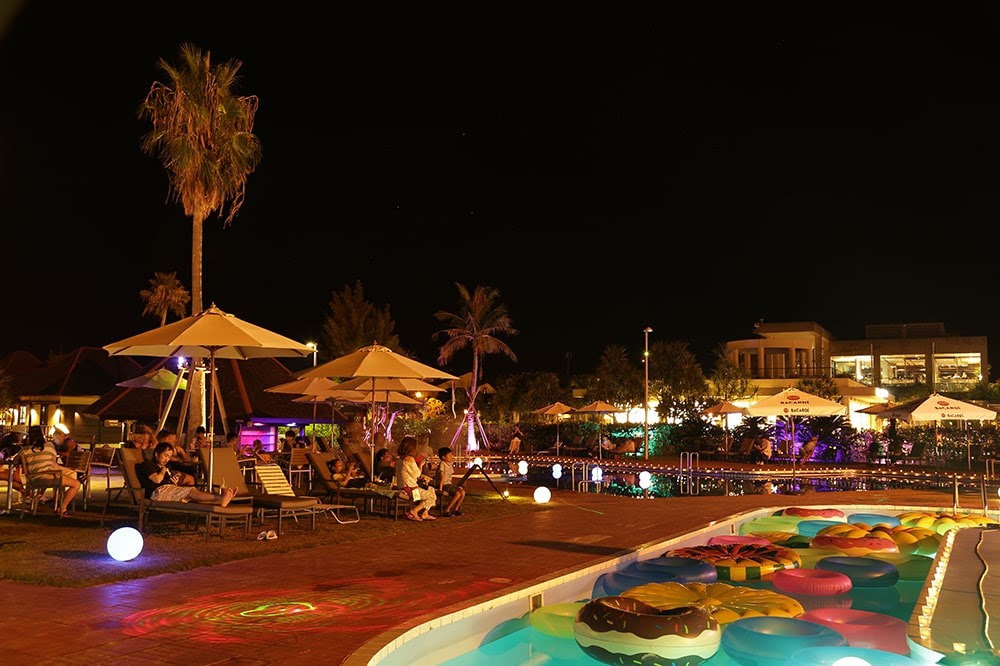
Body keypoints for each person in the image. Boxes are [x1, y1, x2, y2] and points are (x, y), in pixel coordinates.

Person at [137, 442, 237, 505]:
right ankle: (220, 498)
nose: (167, 459)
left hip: (168, 490)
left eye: (169, 457)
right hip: (156, 493)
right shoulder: (147, 465)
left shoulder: (167, 466)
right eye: (165, 455)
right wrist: (163, 470)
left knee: (192, 491)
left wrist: (174, 481)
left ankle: (220, 499)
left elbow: (187, 463)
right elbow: (157, 480)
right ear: (156, 454)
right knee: (190, 492)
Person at [19, 425, 80, 517]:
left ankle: (53, 499)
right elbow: (53, 462)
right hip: (48, 478)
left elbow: (16, 461)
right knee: (76, 484)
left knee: (68, 476)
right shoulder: (49, 446)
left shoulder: (24, 450)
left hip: (32, 480)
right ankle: (62, 508)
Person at [394, 435, 437, 522]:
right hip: (411, 490)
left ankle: (425, 513)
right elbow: (417, 474)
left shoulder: (399, 460)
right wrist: (421, 465)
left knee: (431, 490)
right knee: (432, 495)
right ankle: (415, 510)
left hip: (403, 487)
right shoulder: (409, 459)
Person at [433, 446, 466, 517]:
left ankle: (456, 509)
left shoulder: (450, 465)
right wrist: (440, 488)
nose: (451, 456)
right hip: (444, 485)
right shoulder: (442, 464)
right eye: (450, 455)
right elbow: (442, 477)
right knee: (457, 494)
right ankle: (447, 510)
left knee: (462, 492)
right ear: (443, 457)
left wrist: (454, 487)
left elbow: (450, 477)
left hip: (449, 484)